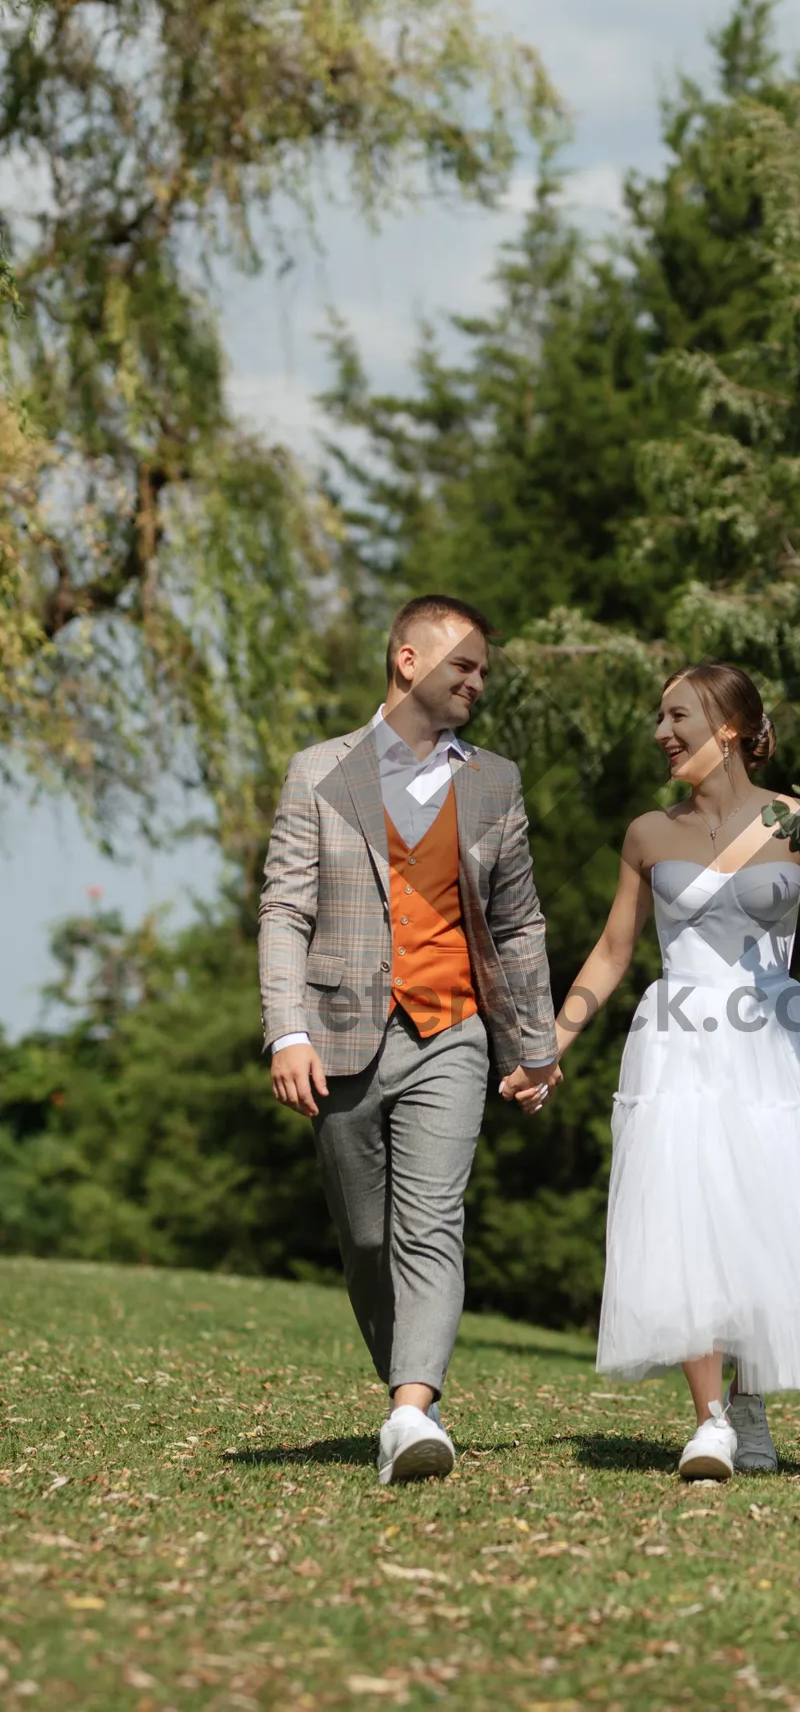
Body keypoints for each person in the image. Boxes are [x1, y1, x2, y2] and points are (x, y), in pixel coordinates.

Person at [503, 663, 800, 1480]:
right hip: (680, 1034)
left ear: (727, 726)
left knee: (764, 1219)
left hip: (777, 1040)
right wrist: (552, 1043)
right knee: (692, 1215)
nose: (662, 730)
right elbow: (614, 951)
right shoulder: (648, 833)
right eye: (660, 716)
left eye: (676, 715)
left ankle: (751, 1402)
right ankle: (711, 1420)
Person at [259, 595, 560, 1483]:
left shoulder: (494, 781)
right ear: (406, 660)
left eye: (481, 673)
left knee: (433, 1220)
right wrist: (286, 1032)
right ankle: (407, 1381)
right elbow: (284, 908)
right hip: (342, 1031)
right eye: (462, 666)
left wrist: (534, 1047)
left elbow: (519, 926)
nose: (476, 683)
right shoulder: (319, 769)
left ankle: (411, 1413)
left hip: (454, 1030)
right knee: (365, 1238)